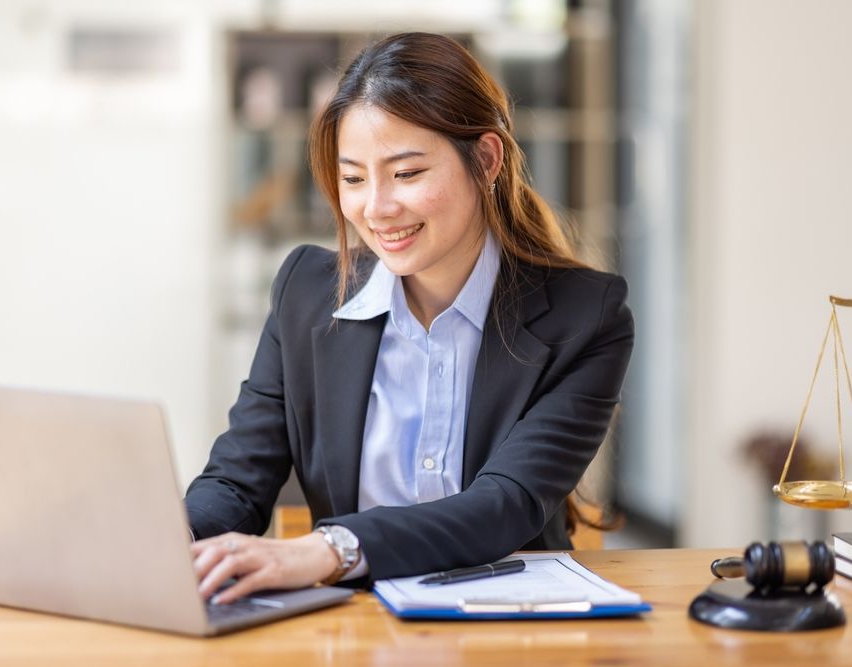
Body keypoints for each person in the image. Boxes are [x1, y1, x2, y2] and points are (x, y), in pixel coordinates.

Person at [186, 32, 634, 604]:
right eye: (353, 178)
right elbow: (236, 480)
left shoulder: (585, 316)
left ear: (487, 160)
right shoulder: (305, 293)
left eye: (406, 173)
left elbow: (503, 506)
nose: (376, 208)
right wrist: (178, 540)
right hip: (352, 626)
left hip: (513, 621)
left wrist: (329, 550)